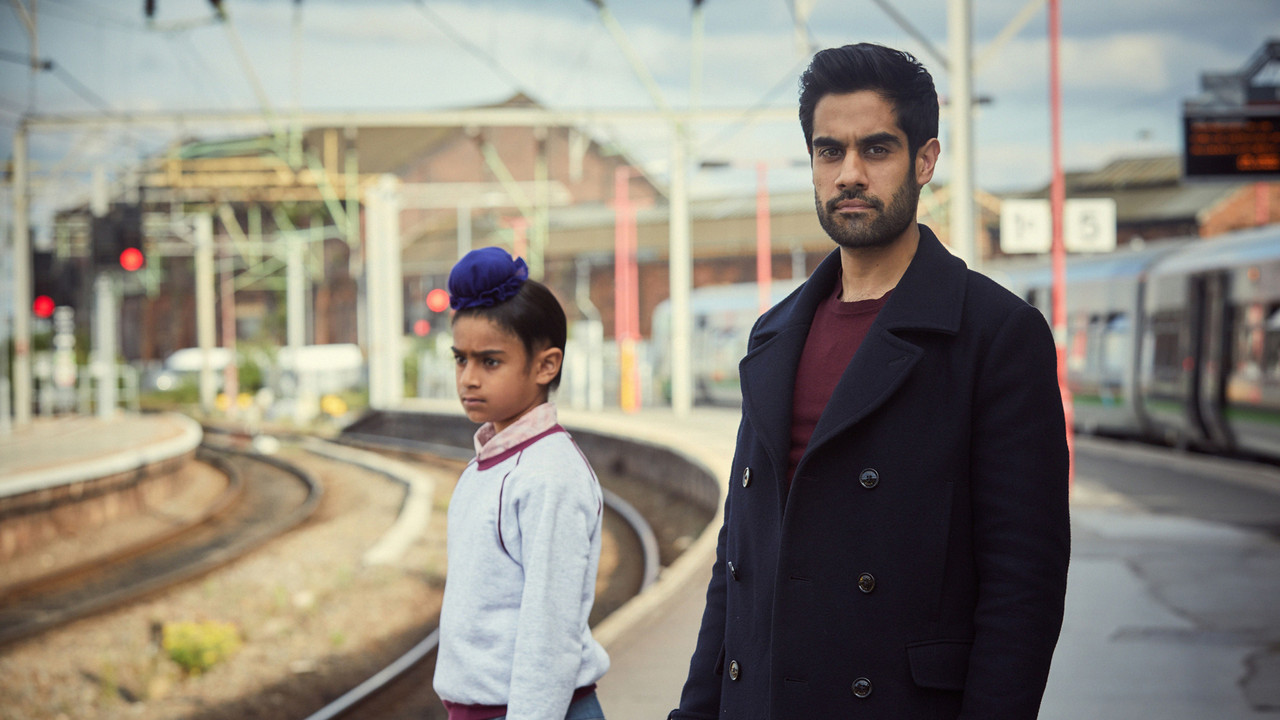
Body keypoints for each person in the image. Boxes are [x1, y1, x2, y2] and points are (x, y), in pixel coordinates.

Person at [669, 43, 1070, 718]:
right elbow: (735, 567)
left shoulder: (994, 335)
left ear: (925, 160)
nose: (849, 173)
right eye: (830, 152)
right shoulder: (774, 335)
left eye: (876, 150)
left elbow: (1022, 588)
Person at [433, 246, 609, 720]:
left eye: (489, 362)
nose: (468, 379)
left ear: (545, 366)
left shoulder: (548, 476)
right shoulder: (488, 465)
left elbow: (548, 634)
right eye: (460, 359)